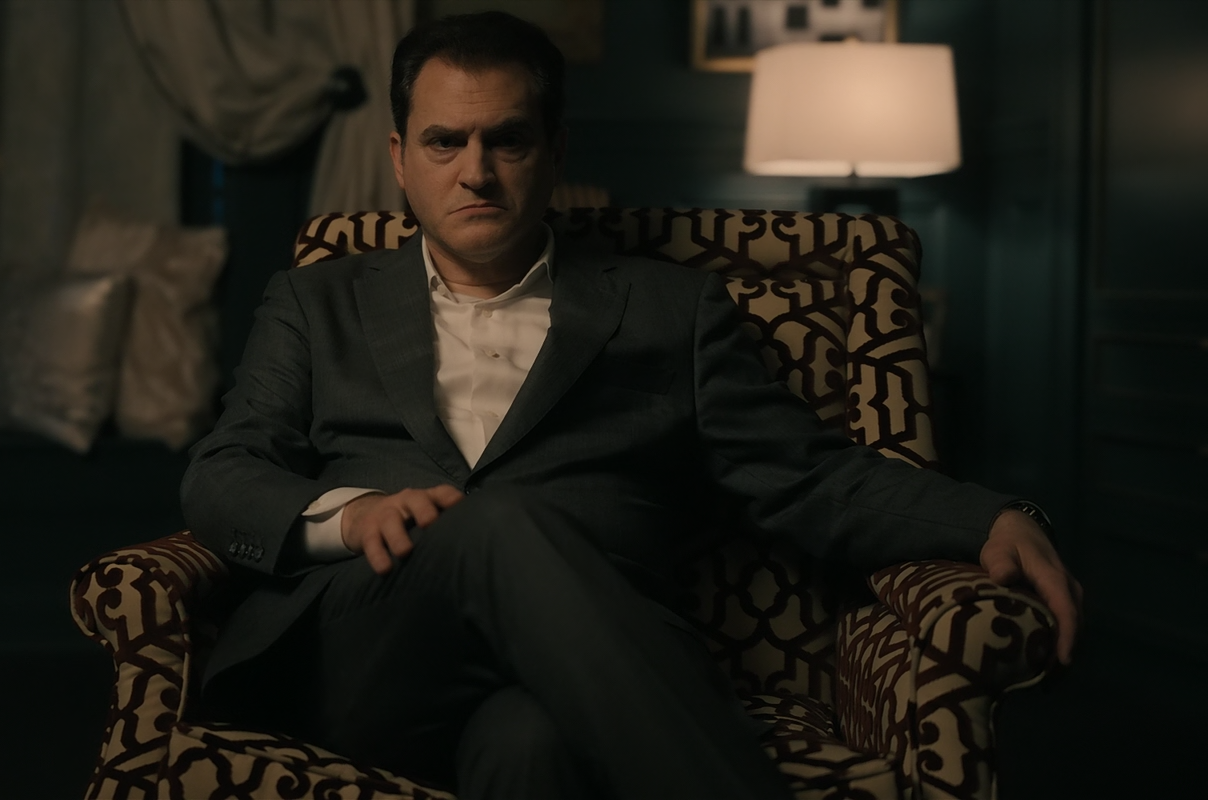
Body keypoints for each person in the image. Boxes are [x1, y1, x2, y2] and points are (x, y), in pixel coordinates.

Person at [180, 12, 1082, 800]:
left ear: (556, 150)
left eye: (508, 140)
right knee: (490, 523)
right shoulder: (317, 301)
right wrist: (352, 516)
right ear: (400, 159)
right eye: (444, 142)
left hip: (585, 671)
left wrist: (986, 517)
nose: (476, 172)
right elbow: (223, 473)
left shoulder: (669, 310)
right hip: (369, 655)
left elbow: (806, 477)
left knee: (530, 746)